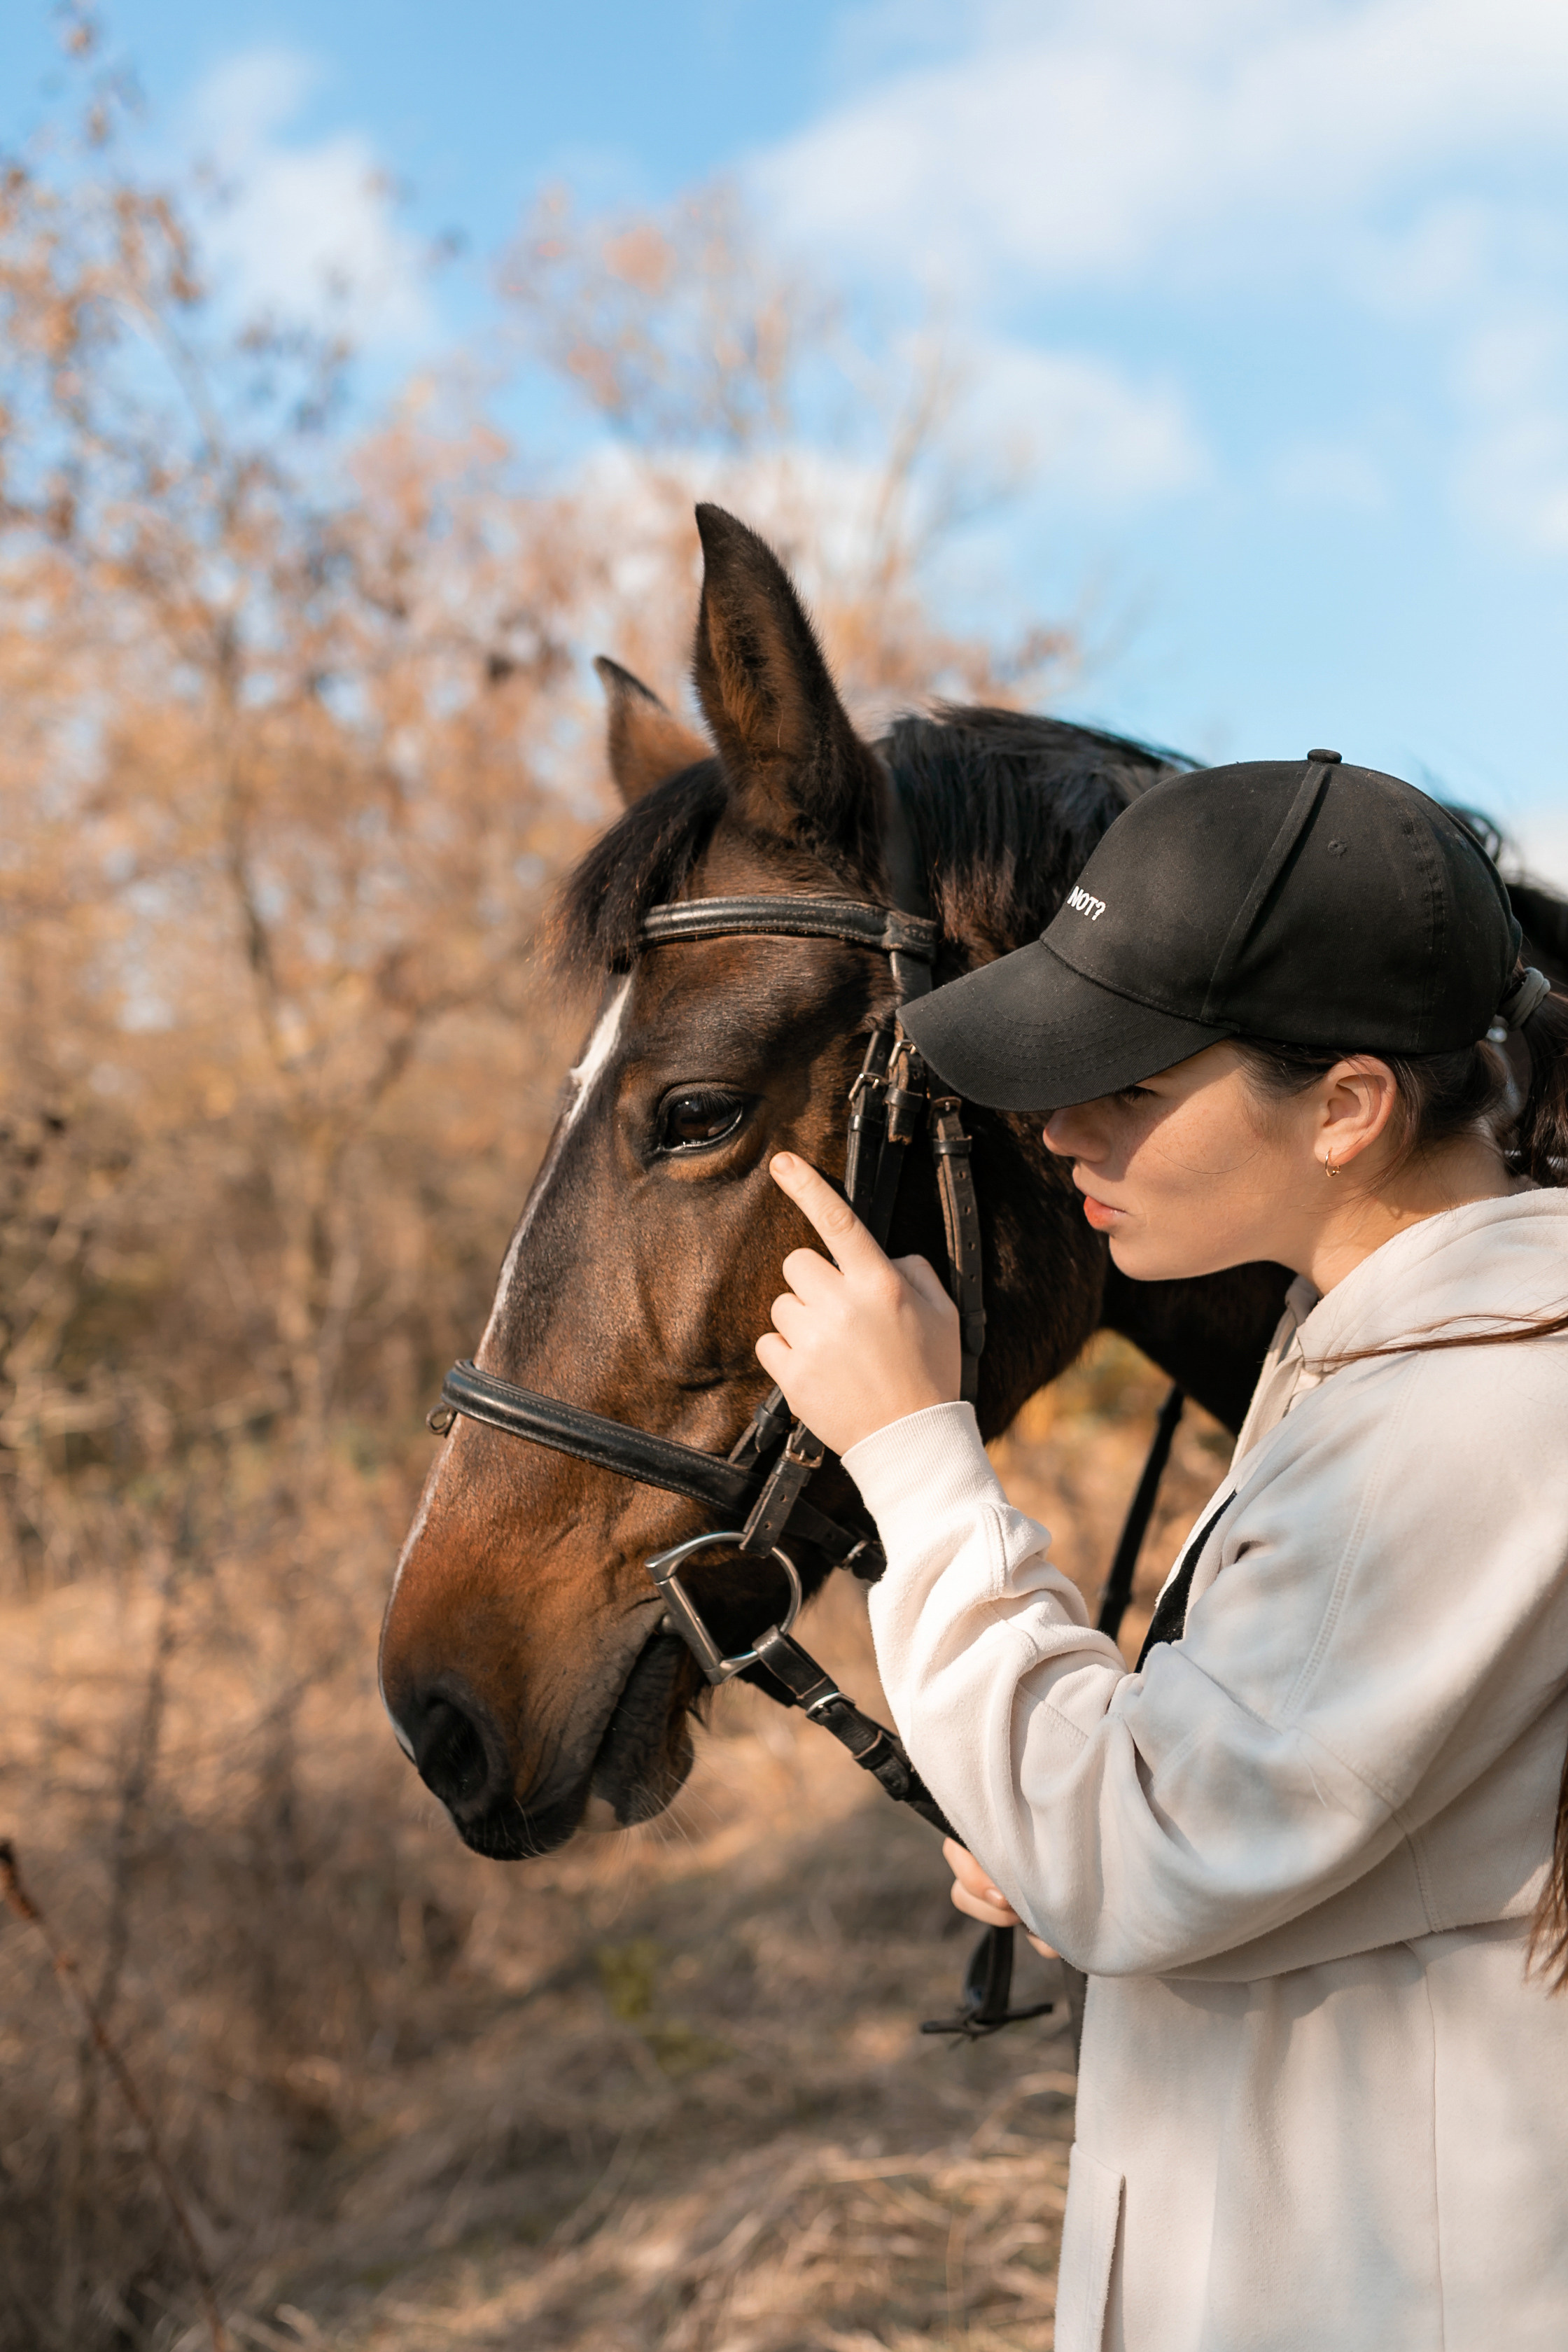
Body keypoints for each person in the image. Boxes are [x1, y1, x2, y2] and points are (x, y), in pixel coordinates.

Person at [752, 752, 1568, 2352]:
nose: (1057, 1130)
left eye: (1125, 1086)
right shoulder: (1379, 1355)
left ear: (1345, 1106)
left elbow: (1138, 1854)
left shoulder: (1471, 1412)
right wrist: (1081, 1821)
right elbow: (1275, 1802)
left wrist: (913, 1456)